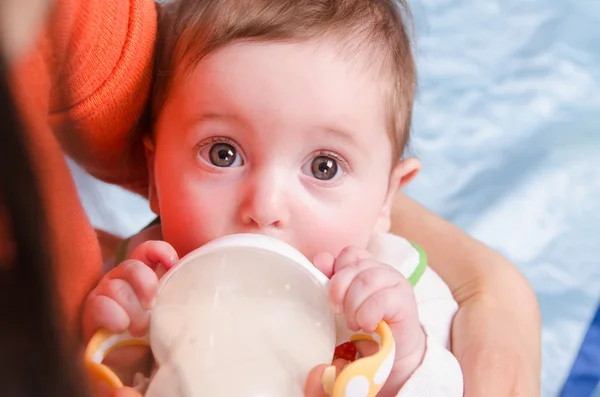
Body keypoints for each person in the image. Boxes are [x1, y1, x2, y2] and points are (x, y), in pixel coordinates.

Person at [1, 0, 539, 396]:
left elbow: (457, 383)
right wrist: (115, 346)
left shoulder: (394, 291)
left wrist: (405, 360)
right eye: (222, 154)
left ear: (386, 199)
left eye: (323, 166)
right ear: (153, 174)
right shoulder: (150, 277)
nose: (265, 206)